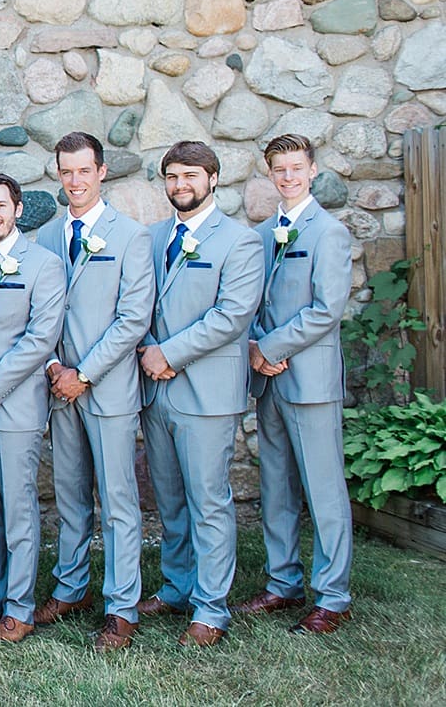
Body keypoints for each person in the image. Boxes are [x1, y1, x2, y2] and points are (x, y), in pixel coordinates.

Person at [137, 141, 263, 647]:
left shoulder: (239, 241)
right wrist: (148, 349)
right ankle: (176, 587)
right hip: (156, 391)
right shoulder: (151, 237)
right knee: (170, 500)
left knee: (208, 500)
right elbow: (137, 303)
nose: (180, 184)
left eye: (190, 175)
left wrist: (168, 353)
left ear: (213, 178)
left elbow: (232, 315)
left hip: (207, 392)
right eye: (172, 176)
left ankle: (211, 608)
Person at [32, 133, 154, 651]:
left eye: (84, 171)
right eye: (67, 172)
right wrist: (55, 366)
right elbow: (40, 313)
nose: (75, 181)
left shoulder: (131, 236)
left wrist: (84, 373)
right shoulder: (45, 237)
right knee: (71, 496)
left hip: (107, 389)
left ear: (102, 172)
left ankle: (121, 607)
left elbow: (133, 318)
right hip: (59, 388)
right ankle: (71, 587)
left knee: (118, 500)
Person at [234, 134, 356, 635]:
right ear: (270, 173)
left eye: (296, 168)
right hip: (269, 380)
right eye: (279, 169)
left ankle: (333, 595)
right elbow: (250, 302)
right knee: (276, 486)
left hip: (310, 381)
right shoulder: (262, 234)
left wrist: (270, 347)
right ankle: (282, 582)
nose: (288, 177)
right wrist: (254, 347)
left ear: (312, 170)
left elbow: (327, 309)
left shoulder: (329, 233)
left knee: (323, 490)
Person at [0, 173, 65, 646]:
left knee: (18, 509)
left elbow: (40, 339)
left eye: (0, 205)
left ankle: (19, 608)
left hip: (15, 405)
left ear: (18, 209)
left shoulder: (43, 264)